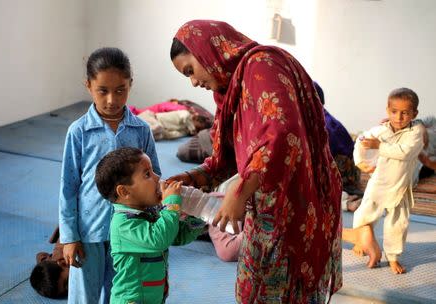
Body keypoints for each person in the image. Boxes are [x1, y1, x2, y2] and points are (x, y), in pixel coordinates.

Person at [168, 20, 342, 303]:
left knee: (281, 290)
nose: (194, 82)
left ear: (208, 51)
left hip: (293, 201)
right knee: (259, 291)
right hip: (265, 202)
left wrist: (239, 191)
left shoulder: (262, 65)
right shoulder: (230, 88)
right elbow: (227, 157)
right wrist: (192, 179)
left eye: (190, 70)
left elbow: (281, 133)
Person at [58, 47, 160, 303]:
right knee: (84, 297)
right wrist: (69, 237)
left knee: (121, 295)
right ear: (88, 85)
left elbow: (155, 177)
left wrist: (157, 223)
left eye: (120, 90)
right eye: (102, 91)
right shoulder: (78, 132)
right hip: (89, 232)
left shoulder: (140, 130)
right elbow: (68, 187)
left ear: (130, 85)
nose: (112, 100)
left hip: (129, 232)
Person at [95, 147, 205, 304]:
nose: (157, 177)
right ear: (124, 192)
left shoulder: (150, 212)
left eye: (153, 171)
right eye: (147, 174)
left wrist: (197, 214)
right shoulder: (123, 225)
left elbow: (177, 236)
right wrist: (171, 205)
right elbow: (159, 239)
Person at [342, 88, 425, 274]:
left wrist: (380, 146)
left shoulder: (416, 131)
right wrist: (360, 161)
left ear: (414, 113)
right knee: (365, 214)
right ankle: (362, 239)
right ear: (388, 110)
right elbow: (362, 140)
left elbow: (405, 152)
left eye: (405, 113)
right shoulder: (382, 129)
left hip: (401, 187)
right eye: (394, 112)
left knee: (398, 224)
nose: (399, 117)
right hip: (378, 183)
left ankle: (393, 256)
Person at [313, 81, 362, 212]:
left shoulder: (319, 123)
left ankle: (343, 198)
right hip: (350, 171)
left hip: (342, 174)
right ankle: (345, 197)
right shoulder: (323, 116)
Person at [30, 227, 69, 298]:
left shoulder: (75, 250)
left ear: (63, 263)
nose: (71, 288)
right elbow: (40, 256)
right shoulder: (52, 263)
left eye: (67, 282)